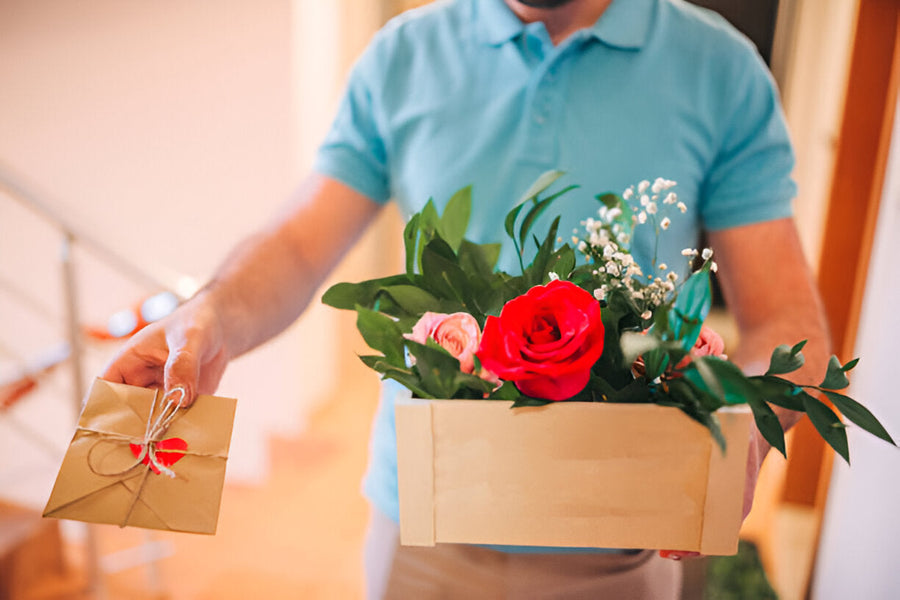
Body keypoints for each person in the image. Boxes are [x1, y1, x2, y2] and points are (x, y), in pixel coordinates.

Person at [102, 0, 830, 598]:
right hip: (424, 518)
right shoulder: (402, 55)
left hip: (623, 535)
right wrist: (211, 312)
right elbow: (297, 246)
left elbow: (787, 323)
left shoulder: (721, 69)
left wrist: (748, 432)